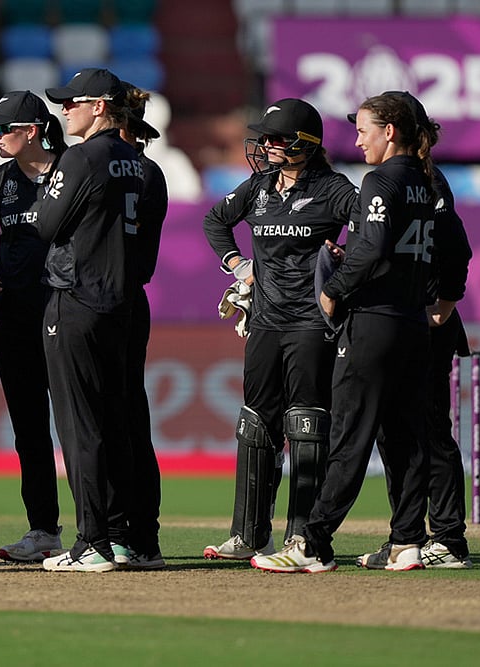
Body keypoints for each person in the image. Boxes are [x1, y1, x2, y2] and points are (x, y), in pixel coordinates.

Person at [252, 92, 438, 573]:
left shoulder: (380, 180)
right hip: (414, 321)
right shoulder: (427, 180)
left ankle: (312, 544)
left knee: (348, 437)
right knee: (405, 435)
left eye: (363, 130)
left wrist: (334, 288)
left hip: (373, 321)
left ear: (389, 131)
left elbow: (371, 245)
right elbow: (451, 244)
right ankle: (407, 541)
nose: (356, 140)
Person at [201, 99, 356, 561]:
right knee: (255, 423)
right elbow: (215, 220)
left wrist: (345, 268)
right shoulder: (259, 186)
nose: (266, 146)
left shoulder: (334, 189)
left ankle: (302, 538)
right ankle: (250, 535)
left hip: (312, 322)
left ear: (305, 145)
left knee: (306, 425)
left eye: (276, 139)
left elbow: (371, 230)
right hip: (265, 321)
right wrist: (238, 265)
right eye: (264, 138)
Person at [0, 90, 69, 563]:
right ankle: (43, 531)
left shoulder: (72, 171)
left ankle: (103, 533)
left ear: (33, 130)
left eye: (4, 128)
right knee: (29, 428)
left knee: (78, 425)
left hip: (65, 312)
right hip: (14, 315)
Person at [36, 68, 143, 573]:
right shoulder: (141, 165)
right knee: (117, 423)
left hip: (77, 298)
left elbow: (44, 223)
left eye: (71, 102)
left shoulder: (80, 156)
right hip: (122, 302)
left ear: (99, 105)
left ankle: (92, 543)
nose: (63, 110)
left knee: (80, 427)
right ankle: (122, 537)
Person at [380, 92, 474, 569]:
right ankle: (407, 535)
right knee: (396, 431)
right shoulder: (407, 178)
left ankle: (449, 539)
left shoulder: (425, 181)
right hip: (402, 319)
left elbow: (456, 244)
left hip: (426, 321)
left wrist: (445, 301)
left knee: (430, 428)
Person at [114, 83, 169, 569]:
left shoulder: (118, 169)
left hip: (108, 301)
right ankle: (143, 536)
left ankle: (120, 532)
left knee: (113, 420)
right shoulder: (151, 173)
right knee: (132, 417)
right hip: (133, 298)